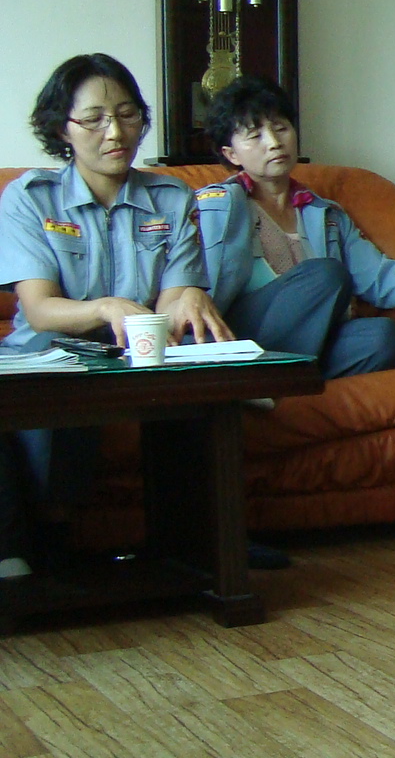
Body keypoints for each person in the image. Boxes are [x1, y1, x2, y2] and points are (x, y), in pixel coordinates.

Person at [0, 54, 232, 578]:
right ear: (62, 128)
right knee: (71, 383)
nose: (115, 132)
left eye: (128, 115)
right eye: (94, 119)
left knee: (199, 380)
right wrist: (106, 307)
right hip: (47, 353)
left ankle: (205, 551)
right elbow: (39, 310)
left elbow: (173, 301)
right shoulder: (31, 199)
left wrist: (187, 298)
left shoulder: (171, 197)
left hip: (139, 355)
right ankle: (37, 548)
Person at [196, 76, 395, 379]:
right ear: (231, 154)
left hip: (301, 344)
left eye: (281, 128)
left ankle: (272, 382)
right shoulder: (217, 207)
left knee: (382, 337)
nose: (273, 142)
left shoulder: (326, 214)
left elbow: (380, 278)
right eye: (255, 135)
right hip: (240, 337)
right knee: (325, 274)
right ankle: (261, 379)